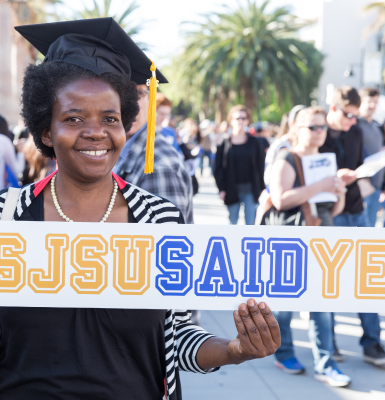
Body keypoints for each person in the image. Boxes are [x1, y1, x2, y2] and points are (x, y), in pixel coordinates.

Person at [0, 18, 281, 400]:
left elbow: (176, 334)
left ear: (126, 125)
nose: (95, 131)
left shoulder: (159, 220)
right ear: (46, 130)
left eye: (110, 118)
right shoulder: (7, 218)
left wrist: (236, 350)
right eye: (74, 118)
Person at [260, 107, 350, 387]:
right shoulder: (287, 158)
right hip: (292, 240)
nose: (319, 132)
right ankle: (284, 352)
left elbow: (332, 209)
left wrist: (339, 192)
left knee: (322, 304)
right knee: (285, 304)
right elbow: (280, 199)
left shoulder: (324, 160)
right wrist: (321, 184)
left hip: (322, 238)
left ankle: (325, 363)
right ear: (298, 128)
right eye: (313, 127)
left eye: (322, 127)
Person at [320, 86, 385, 367]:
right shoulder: (318, 131)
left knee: (365, 279)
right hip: (328, 215)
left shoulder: (356, 131)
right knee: (329, 282)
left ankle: (372, 343)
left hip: (357, 209)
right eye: (350, 115)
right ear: (335, 109)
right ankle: (330, 342)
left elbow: (359, 163)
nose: (354, 121)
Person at [113, 84, 194, 224]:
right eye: (117, 91)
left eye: (138, 94)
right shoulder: (115, 149)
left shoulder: (159, 166)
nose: (128, 103)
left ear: (151, 101)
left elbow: (165, 240)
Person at [214, 105, 265, 225]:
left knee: (251, 222)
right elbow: (218, 167)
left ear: (247, 120)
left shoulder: (255, 142)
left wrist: (262, 188)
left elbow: (261, 165)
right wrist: (221, 188)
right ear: (231, 120)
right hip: (231, 188)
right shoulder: (224, 142)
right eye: (237, 118)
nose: (240, 121)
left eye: (243, 118)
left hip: (251, 189)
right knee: (232, 222)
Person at [358, 88, 385, 227]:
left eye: (375, 102)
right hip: (361, 186)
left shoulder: (376, 126)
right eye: (369, 101)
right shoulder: (354, 125)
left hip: (376, 186)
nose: (372, 105)